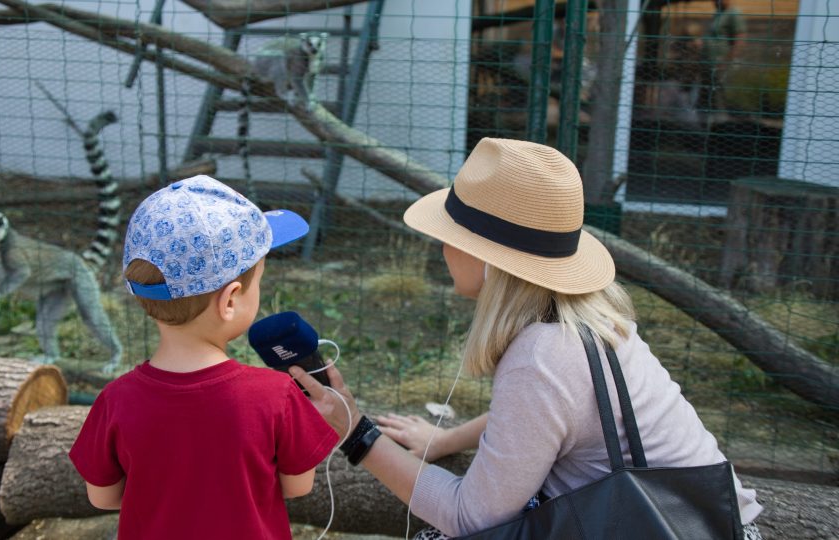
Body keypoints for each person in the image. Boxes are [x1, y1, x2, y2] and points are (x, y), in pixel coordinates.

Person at [290, 138, 764, 539]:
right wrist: (448, 438)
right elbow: (546, 413)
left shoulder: (542, 355)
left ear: (490, 259)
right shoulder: (579, 321)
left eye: (451, 234)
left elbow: (469, 517)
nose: (441, 246)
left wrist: (356, 432)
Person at [69, 175, 339, 538]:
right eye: (259, 281)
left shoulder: (115, 400)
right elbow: (297, 487)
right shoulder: (276, 395)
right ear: (230, 300)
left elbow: (102, 497)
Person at [698, 0, 746, 118]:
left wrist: (726, 61)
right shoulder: (718, 13)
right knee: (708, 100)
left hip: (720, 66)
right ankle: (709, 128)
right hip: (708, 66)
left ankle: (723, 128)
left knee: (720, 100)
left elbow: (740, 40)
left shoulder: (733, 13)